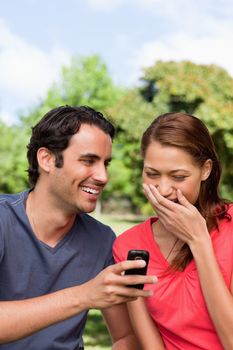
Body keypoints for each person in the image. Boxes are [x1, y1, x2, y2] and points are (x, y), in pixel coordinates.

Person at [0, 105, 157, 350]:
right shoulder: (3, 221)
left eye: (105, 163)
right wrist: (83, 295)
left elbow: (126, 337)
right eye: (88, 161)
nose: (103, 176)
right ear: (47, 159)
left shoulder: (101, 239)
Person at [113, 112, 233, 349]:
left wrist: (199, 241)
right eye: (152, 174)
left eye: (178, 176)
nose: (164, 189)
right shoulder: (129, 245)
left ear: (205, 170)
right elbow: (150, 344)